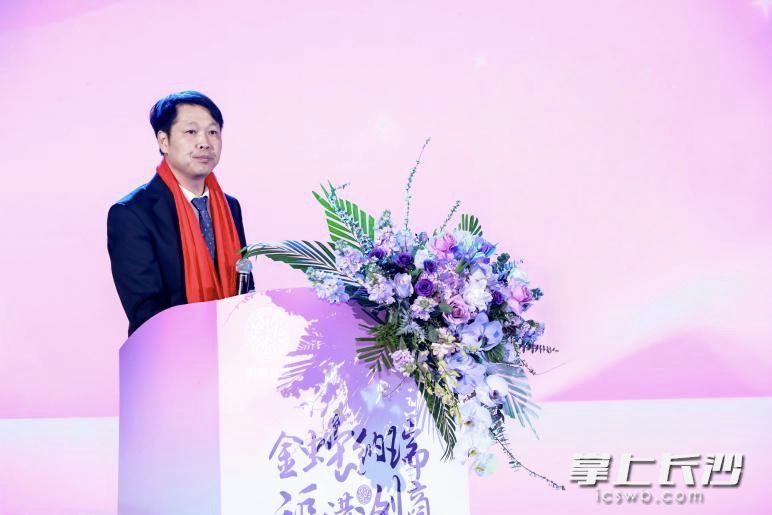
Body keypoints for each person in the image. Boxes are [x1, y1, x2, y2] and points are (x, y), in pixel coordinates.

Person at [107, 91, 254, 336]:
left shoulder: (231, 207)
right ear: (163, 141)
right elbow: (145, 312)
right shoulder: (132, 214)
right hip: (166, 350)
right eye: (191, 131)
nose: (204, 142)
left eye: (213, 132)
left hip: (232, 349)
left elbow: (244, 285)